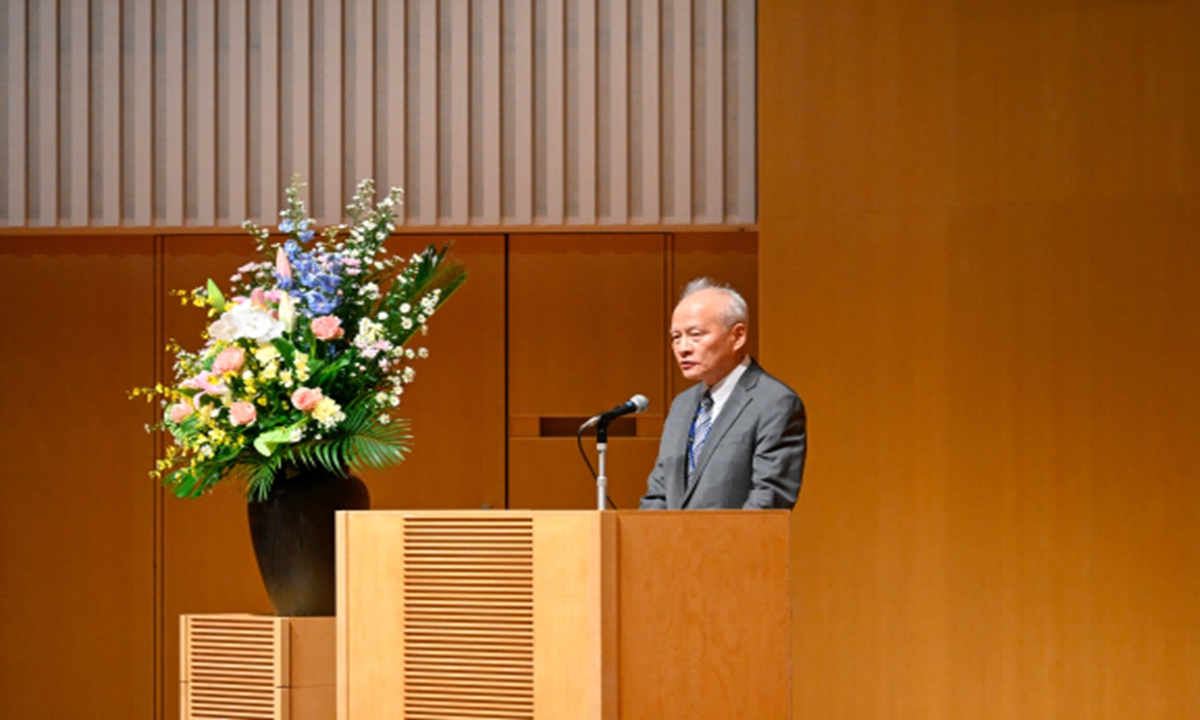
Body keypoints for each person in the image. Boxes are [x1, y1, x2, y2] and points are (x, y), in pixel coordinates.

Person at [640, 278, 806, 510]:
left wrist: (720, 545)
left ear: (738, 336)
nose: (682, 347)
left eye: (695, 334)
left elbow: (769, 499)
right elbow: (658, 492)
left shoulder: (774, 402)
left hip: (734, 545)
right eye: (676, 337)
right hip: (670, 545)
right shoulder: (682, 404)